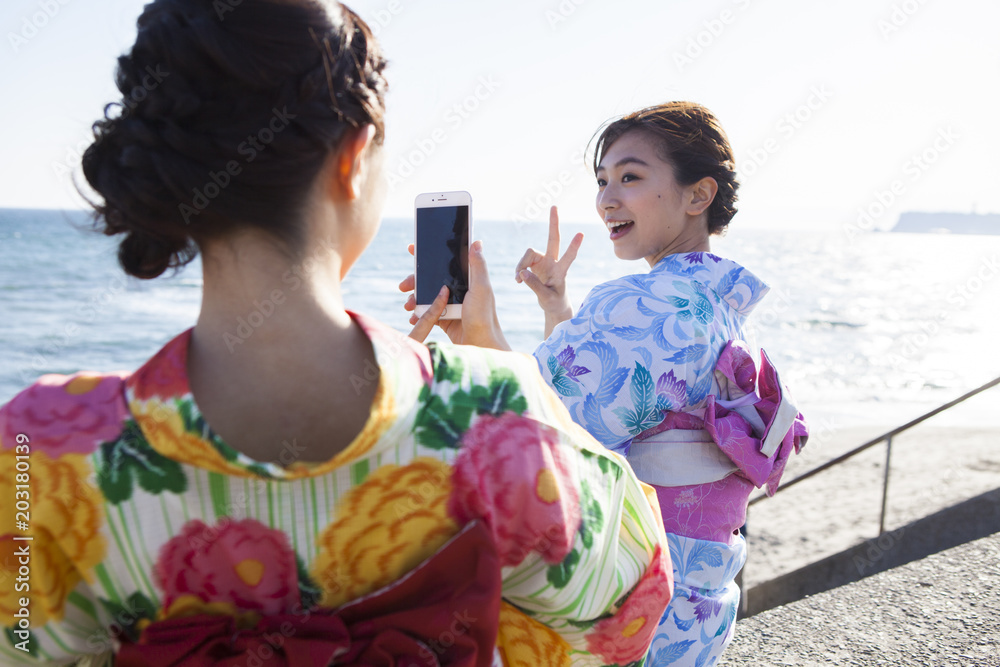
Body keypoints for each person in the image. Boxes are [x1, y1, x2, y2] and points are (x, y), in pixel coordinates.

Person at [0, 2, 673, 665]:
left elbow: (22, 645)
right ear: (353, 156)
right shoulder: (497, 414)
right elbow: (624, 613)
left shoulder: (40, 447)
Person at [405, 102, 809, 666]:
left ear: (698, 196)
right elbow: (598, 404)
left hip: (633, 604)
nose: (606, 199)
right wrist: (557, 310)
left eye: (631, 177)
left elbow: (533, 420)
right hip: (697, 610)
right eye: (601, 181)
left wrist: (478, 328)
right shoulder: (716, 306)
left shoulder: (648, 304)